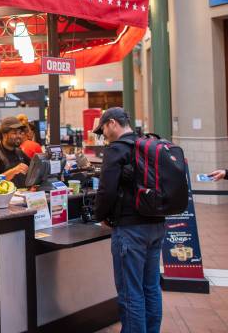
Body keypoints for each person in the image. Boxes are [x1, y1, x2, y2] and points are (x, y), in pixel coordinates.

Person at [93, 107, 165, 333]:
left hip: (130, 230)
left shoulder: (116, 150)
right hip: (156, 225)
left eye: (102, 129)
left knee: (130, 292)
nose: (103, 135)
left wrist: (101, 217)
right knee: (151, 287)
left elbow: (106, 191)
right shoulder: (148, 145)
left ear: (112, 123)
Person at [0, 116, 31, 188]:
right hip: (4, 198)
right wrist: (13, 171)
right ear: (4, 135)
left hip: (23, 195)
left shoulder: (19, 152)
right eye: (14, 133)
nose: (19, 136)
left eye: (20, 133)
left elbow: (33, 167)